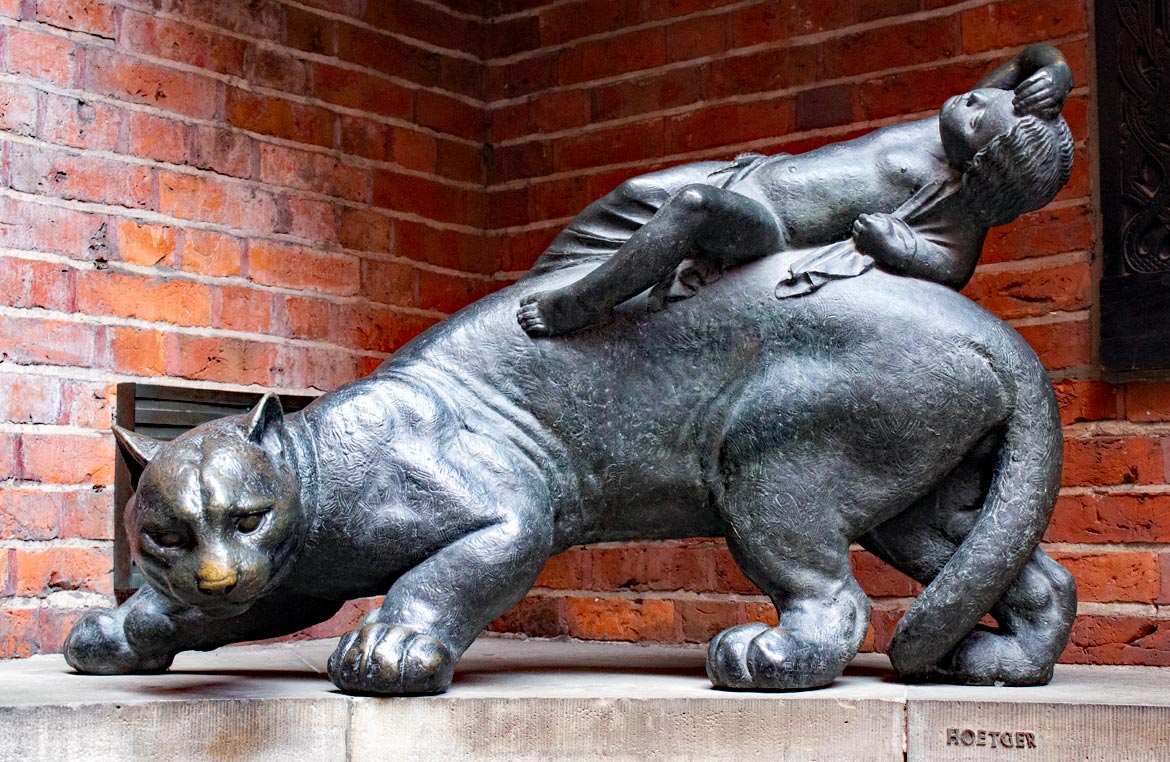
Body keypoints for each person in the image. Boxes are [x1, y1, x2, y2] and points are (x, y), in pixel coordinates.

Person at [517, 44, 1075, 338]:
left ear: (980, 169)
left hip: (766, 226)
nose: (973, 99)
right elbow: (1029, 59)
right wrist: (1058, 71)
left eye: (980, 114)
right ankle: (542, 280)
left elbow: (951, 266)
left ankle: (580, 304)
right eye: (986, 97)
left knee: (692, 207)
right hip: (748, 174)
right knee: (639, 190)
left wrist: (899, 248)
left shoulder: (955, 200)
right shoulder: (956, 121)